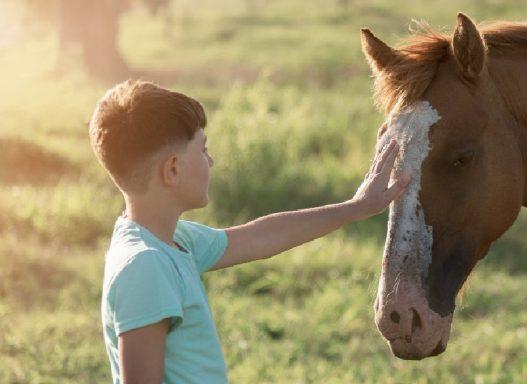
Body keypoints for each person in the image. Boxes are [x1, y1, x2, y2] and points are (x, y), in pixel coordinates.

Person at [90, 80, 409, 384]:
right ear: (172, 169)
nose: (211, 161)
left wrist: (356, 207)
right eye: (203, 150)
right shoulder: (145, 266)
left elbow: (261, 236)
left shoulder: (171, 241)